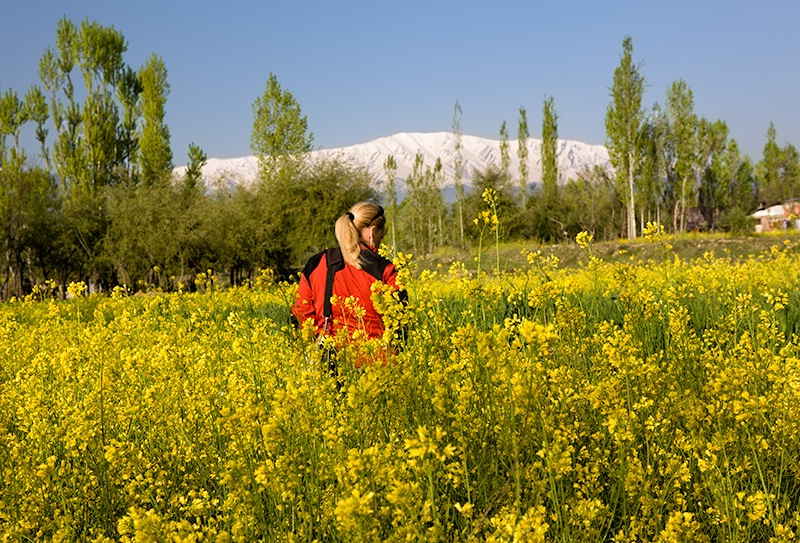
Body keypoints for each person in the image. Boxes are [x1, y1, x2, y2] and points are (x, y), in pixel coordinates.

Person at [291, 202, 407, 369]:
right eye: (382, 235)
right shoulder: (385, 270)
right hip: (377, 367)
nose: (381, 242)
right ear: (373, 232)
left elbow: (300, 315)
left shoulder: (317, 263)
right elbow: (401, 323)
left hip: (328, 364)